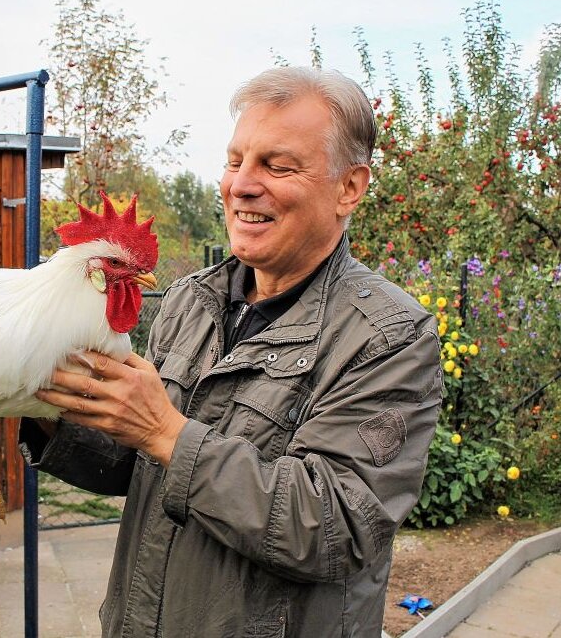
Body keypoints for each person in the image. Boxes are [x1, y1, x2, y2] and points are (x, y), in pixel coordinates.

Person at [24, 66, 442, 637]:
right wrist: (49, 411)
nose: (240, 185)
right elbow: (138, 468)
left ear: (349, 188)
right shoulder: (192, 300)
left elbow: (336, 527)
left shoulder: (386, 336)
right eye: (235, 160)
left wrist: (167, 433)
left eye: (277, 165)